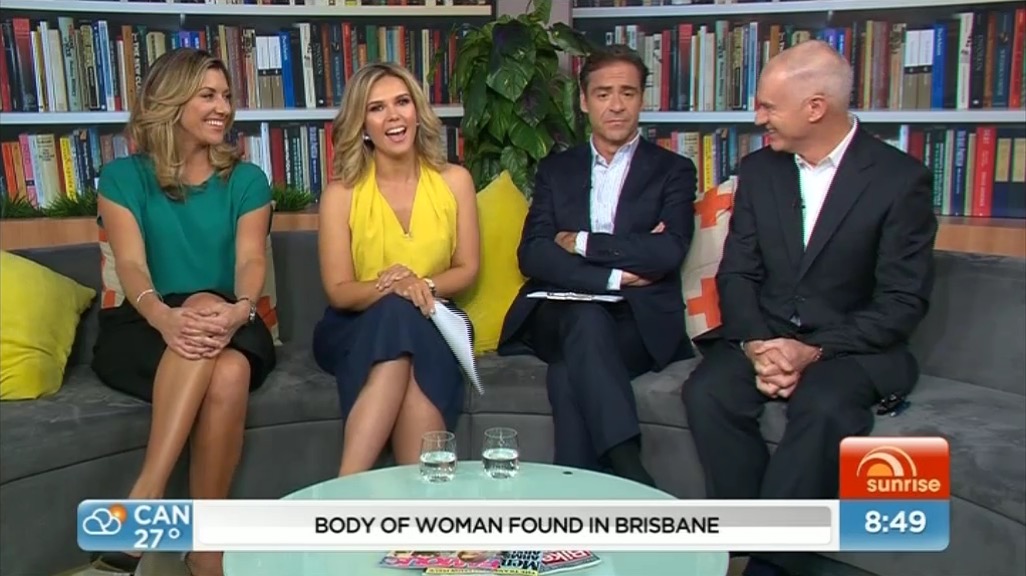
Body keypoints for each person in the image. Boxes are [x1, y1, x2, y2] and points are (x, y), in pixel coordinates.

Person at [681, 40, 938, 576]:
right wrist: (758, 344)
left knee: (823, 408)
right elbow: (738, 272)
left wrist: (811, 351)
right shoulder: (759, 171)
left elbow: (901, 302)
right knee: (708, 392)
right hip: (768, 333)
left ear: (815, 108)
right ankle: (746, 537)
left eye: (768, 107)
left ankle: (770, 566)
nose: (759, 119)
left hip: (853, 346)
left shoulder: (899, 179)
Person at [89, 48, 276, 576]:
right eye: (208, 95)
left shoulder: (247, 180)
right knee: (223, 361)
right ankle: (202, 547)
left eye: (227, 96)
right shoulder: (122, 177)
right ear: (170, 102)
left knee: (216, 327)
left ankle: (149, 506)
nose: (224, 108)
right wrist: (164, 317)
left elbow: (250, 259)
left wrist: (241, 310)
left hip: (231, 321)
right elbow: (130, 264)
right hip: (142, 322)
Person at [498, 45, 698, 487]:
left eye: (628, 92)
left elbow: (668, 251)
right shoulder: (556, 170)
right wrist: (613, 274)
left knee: (569, 372)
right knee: (584, 318)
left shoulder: (674, 170)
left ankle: (576, 494)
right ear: (585, 102)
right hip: (558, 311)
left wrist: (581, 242)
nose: (617, 105)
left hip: (636, 319)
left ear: (642, 99)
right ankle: (631, 472)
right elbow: (533, 253)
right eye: (604, 94)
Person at [312, 62, 480, 477]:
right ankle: (404, 496)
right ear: (362, 125)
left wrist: (419, 284)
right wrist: (395, 288)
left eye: (402, 102)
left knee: (406, 322)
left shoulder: (455, 180)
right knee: (397, 314)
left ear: (417, 111)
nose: (393, 117)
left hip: (436, 319)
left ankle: (347, 486)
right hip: (354, 325)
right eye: (377, 108)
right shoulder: (341, 195)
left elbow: (468, 269)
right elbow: (339, 290)